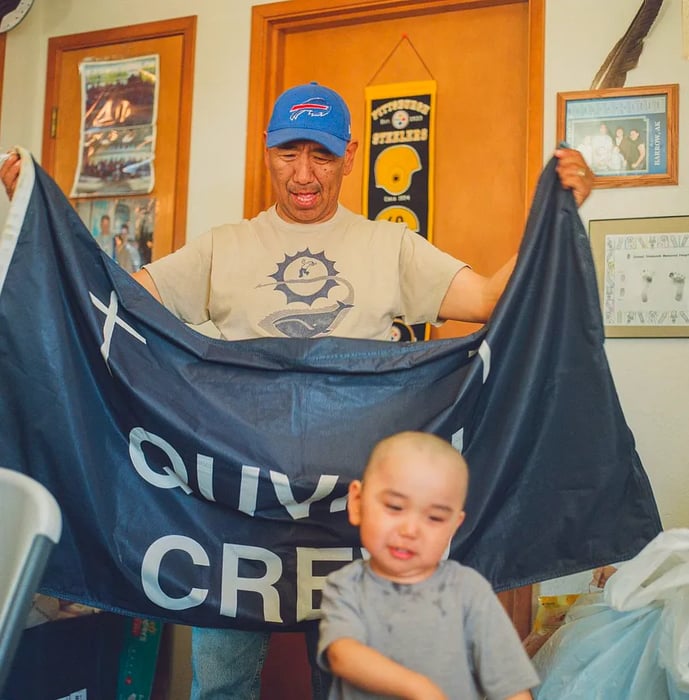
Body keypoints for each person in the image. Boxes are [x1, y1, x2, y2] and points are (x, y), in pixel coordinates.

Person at [0, 82, 591, 700]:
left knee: (353, 680)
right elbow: (106, 301)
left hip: (350, 511)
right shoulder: (222, 247)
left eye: (322, 156)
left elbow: (496, 303)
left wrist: (557, 213)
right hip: (233, 511)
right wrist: (36, 217)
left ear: (351, 155)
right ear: (266, 151)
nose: (303, 174)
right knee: (222, 682)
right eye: (288, 153)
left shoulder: (389, 246)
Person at [318, 431, 539, 699]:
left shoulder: (469, 591)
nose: (410, 530)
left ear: (453, 527)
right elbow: (343, 654)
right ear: (357, 503)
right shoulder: (347, 586)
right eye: (395, 507)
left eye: (434, 518)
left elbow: (511, 685)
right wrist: (419, 689)